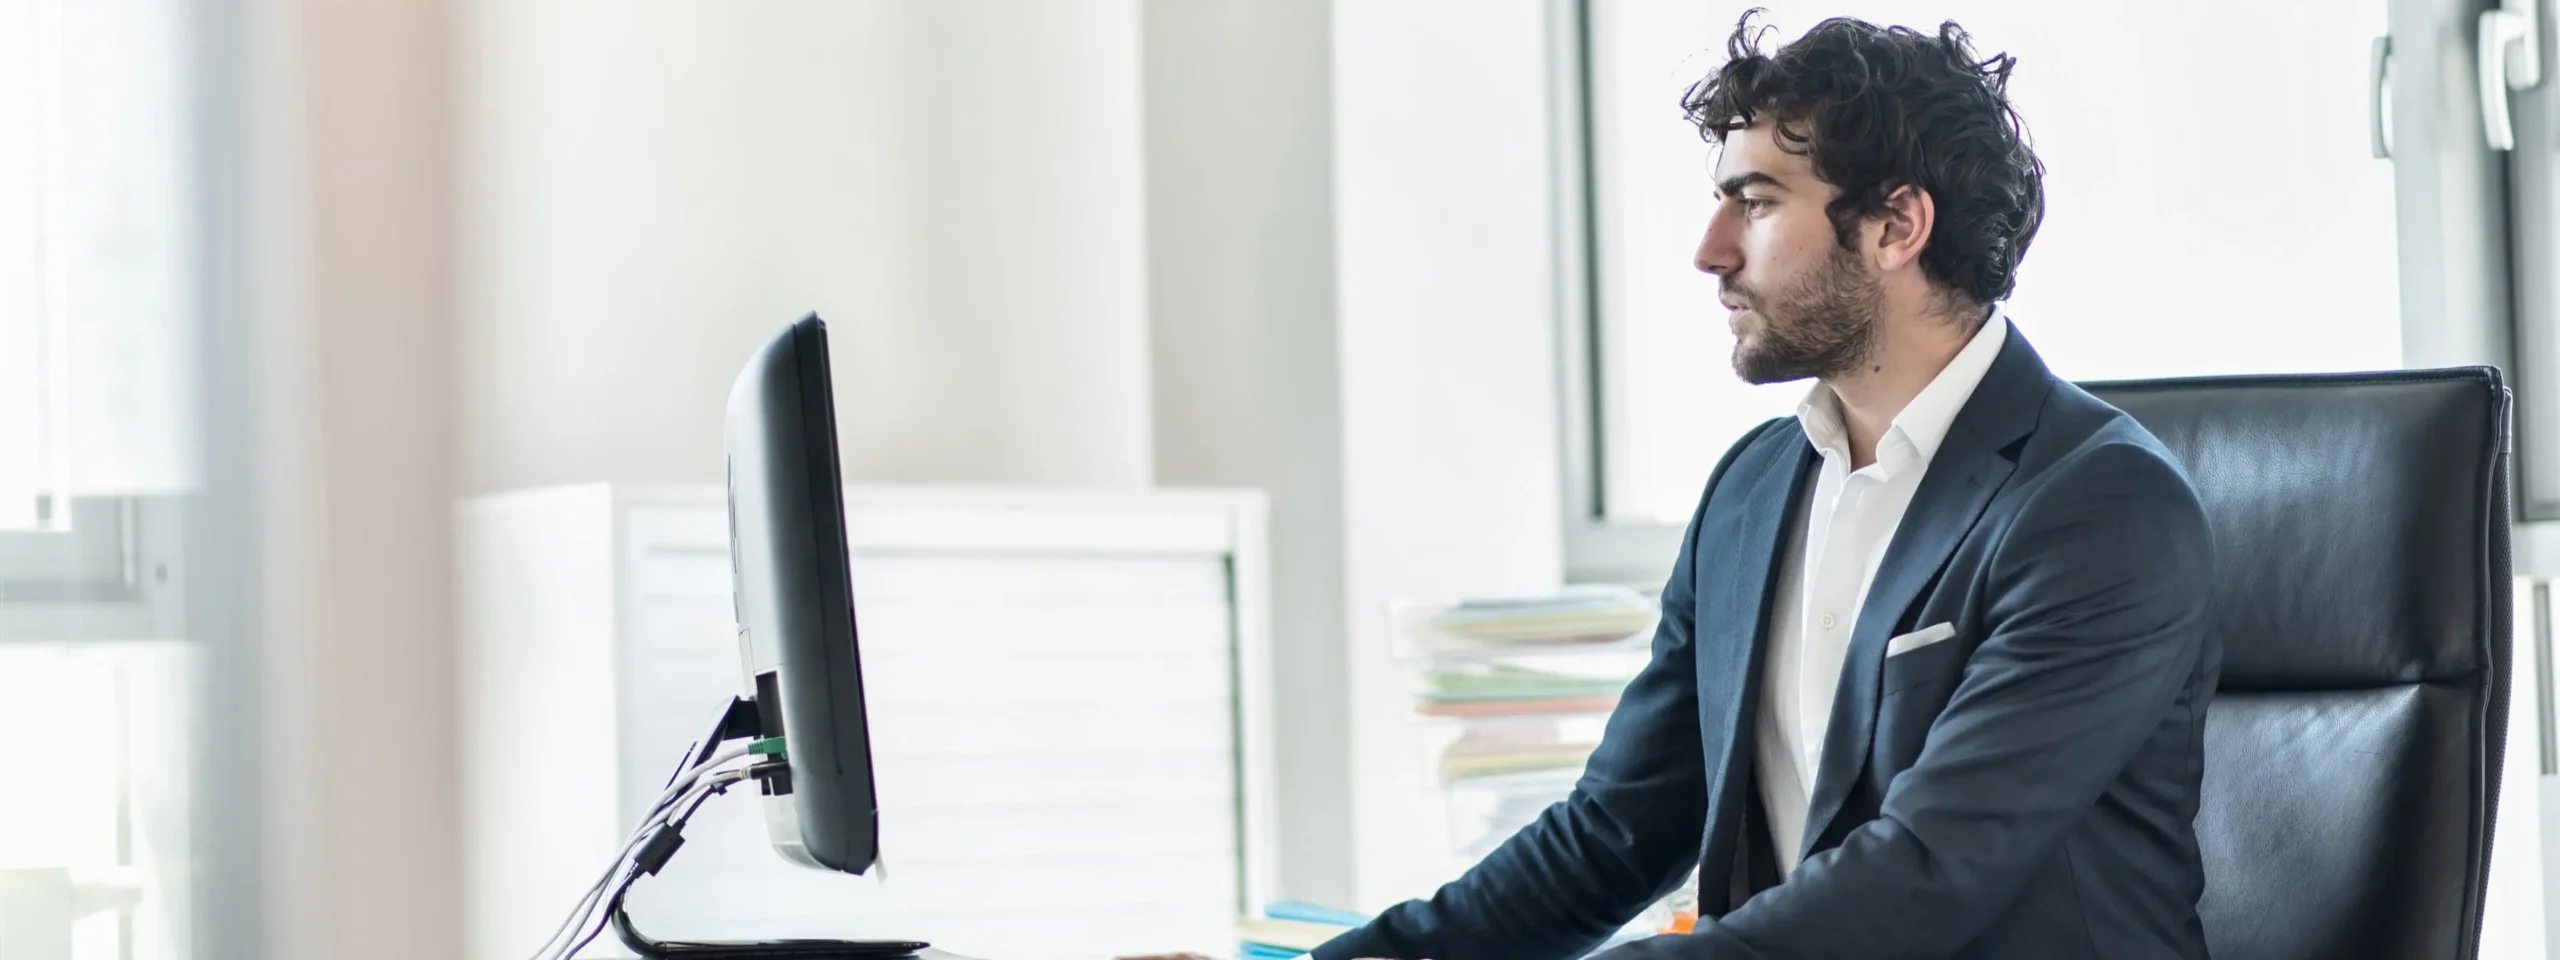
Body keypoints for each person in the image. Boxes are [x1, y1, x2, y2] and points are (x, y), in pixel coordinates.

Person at [1313, 13, 2218, 960]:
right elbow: (1615, 833)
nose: (1710, 251)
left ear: (1897, 226)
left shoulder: (2102, 508)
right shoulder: (1751, 491)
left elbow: (1923, 875)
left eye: (1755, 202)